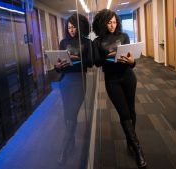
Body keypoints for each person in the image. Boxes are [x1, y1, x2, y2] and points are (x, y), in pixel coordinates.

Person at [92, 9, 147, 168]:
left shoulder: (124, 36)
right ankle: (138, 149)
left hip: (128, 77)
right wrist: (111, 56)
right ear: (103, 23)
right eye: (109, 22)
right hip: (112, 80)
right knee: (123, 113)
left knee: (131, 111)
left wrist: (131, 62)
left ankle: (130, 141)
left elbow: (132, 59)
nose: (112, 25)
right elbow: (97, 62)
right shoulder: (97, 41)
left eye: (114, 22)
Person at [56, 13, 93, 165]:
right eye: (69, 27)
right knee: (68, 114)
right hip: (65, 82)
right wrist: (57, 66)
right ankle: (71, 143)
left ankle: (65, 147)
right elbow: (59, 65)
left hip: (79, 81)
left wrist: (77, 60)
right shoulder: (63, 42)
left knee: (72, 113)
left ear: (79, 27)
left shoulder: (86, 42)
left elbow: (90, 63)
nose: (71, 30)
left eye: (74, 27)